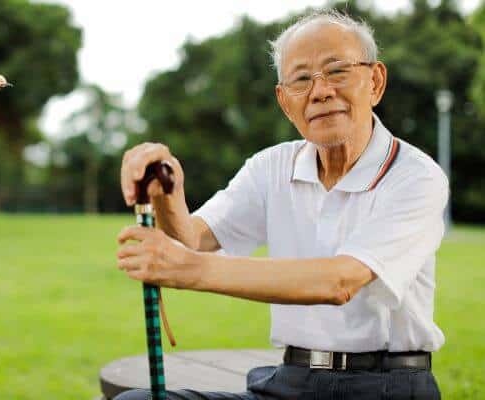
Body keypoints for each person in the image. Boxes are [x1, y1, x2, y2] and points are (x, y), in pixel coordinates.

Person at [114, 10, 447, 400]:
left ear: (375, 82)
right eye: (301, 79)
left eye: (337, 71)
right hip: (290, 382)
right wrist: (167, 195)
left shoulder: (416, 176)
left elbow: (340, 281)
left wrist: (190, 270)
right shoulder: (271, 167)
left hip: (386, 386)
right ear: (284, 101)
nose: (320, 91)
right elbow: (194, 239)